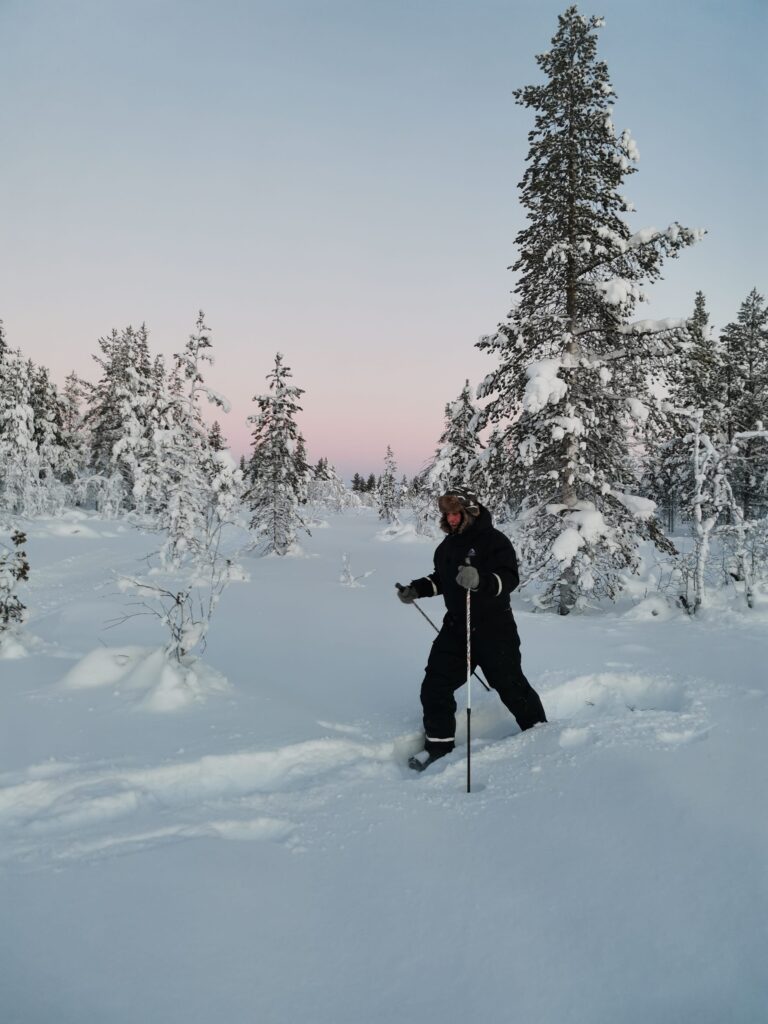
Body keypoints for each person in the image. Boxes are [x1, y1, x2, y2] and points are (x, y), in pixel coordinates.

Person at [396, 486, 546, 769]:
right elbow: (442, 579)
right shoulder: (446, 547)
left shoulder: (495, 541)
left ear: (471, 512)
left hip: (494, 629)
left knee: (510, 685)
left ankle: (541, 733)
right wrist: (416, 589)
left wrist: (480, 580)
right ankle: (439, 746)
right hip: (456, 629)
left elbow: (509, 578)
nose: (451, 519)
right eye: (447, 514)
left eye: (456, 513)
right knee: (435, 685)